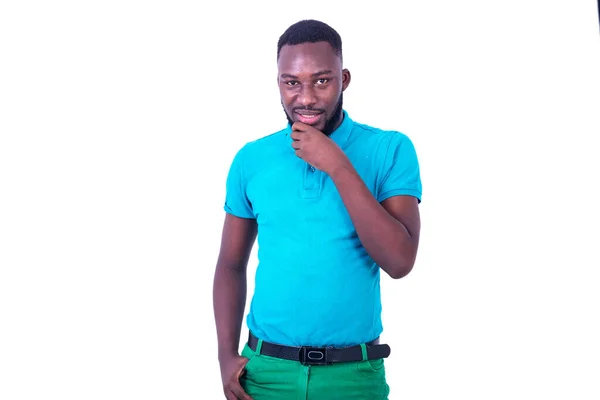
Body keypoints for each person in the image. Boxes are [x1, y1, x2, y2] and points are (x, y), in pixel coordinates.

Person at [213, 19, 422, 400]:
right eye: (291, 82)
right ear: (279, 83)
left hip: (353, 378)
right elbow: (230, 263)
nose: (305, 97)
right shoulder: (251, 159)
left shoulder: (390, 149)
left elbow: (399, 260)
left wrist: (338, 165)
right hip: (263, 376)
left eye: (321, 81)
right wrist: (225, 355)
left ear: (343, 79)